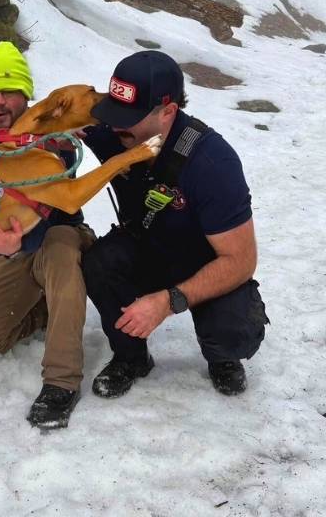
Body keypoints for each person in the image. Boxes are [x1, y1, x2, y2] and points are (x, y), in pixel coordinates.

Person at [81, 50, 268, 399]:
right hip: (147, 248)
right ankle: (131, 356)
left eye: (129, 117)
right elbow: (44, 122)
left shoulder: (213, 162)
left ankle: (221, 357)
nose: (115, 125)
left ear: (168, 112)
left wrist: (169, 301)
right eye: (113, 113)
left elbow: (241, 261)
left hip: (207, 263)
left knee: (233, 332)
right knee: (99, 263)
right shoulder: (117, 132)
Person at [0, 41, 94, 429]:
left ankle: (61, 382)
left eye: (10, 92)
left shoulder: (51, 136)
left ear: (26, 96)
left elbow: (58, 204)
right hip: (6, 251)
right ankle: (45, 310)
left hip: (56, 235)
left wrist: (18, 245)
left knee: (59, 254)